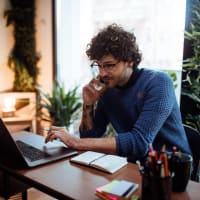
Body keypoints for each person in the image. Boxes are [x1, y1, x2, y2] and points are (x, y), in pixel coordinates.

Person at [45, 23, 192, 162]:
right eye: (99, 65)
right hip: (135, 166)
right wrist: (88, 105)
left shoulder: (159, 82)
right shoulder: (108, 89)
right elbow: (89, 137)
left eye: (109, 65)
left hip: (172, 168)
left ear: (130, 60)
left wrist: (74, 141)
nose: (102, 73)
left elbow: (139, 143)